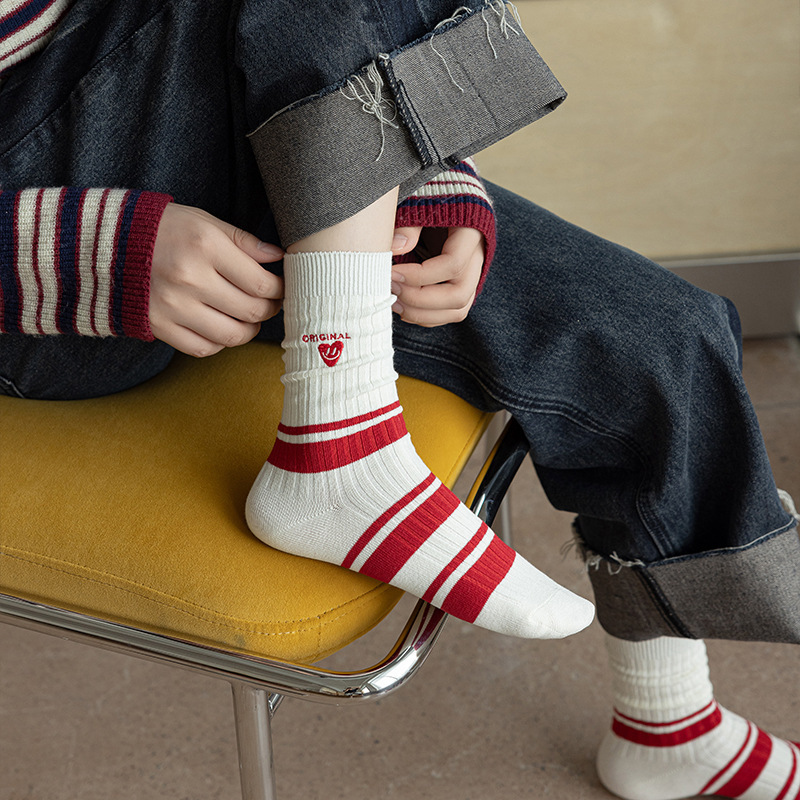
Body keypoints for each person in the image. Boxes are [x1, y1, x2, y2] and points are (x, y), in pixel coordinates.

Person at [1, 1, 798, 797]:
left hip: (166, 114)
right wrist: (81, 252)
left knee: (658, 334)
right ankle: (343, 441)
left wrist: (416, 175)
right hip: (44, 265)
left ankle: (672, 730)